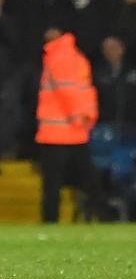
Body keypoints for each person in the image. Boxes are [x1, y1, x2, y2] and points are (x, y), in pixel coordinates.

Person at [35, 24, 103, 223]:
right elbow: (86, 91)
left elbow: (67, 91)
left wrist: (75, 116)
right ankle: (104, 215)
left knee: (52, 183)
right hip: (75, 130)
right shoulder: (76, 57)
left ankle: (50, 220)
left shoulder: (59, 56)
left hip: (57, 131)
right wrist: (88, 118)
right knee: (89, 179)